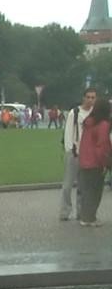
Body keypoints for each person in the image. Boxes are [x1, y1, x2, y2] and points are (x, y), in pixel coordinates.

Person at [62, 88, 97, 221]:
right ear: (83, 98)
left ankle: (81, 211)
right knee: (67, 185)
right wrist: (69, 150)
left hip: (88, 154)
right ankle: (65, 211)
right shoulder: (74, 112)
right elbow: (68, 133)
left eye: (93, 97)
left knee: (83, 185)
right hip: (74, 152)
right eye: (88, 97)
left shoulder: (95, 114)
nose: (90, 100)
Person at [77, 97, 112, 227]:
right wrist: (104, 163)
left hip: (84, 160)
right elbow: (102, 146)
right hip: (96, 163)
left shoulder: (88, 122)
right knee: (95, 192)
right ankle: (90, 218)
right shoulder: (103, 125)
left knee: (87, 191)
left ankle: (85, 217)